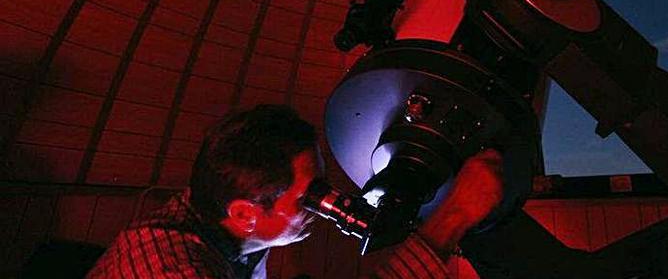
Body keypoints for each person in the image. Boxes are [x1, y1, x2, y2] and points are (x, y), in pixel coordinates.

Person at [87, 104, 503, 278]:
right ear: (246, 213)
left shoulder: (222, 226)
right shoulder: (172, 271)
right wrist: (454, 217)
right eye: (310, 195)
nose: (326, 204)